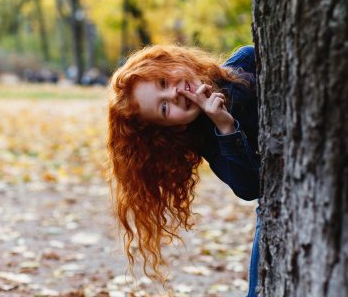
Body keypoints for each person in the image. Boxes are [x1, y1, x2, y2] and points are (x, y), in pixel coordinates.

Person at [107, 44, 260, 296]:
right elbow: (249, 187)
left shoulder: (245, 62)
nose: (174, 95)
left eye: (164, 81)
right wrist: (225, 126)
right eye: (164, 108)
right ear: (174, 128)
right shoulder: (209, 139)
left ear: (174, 61)